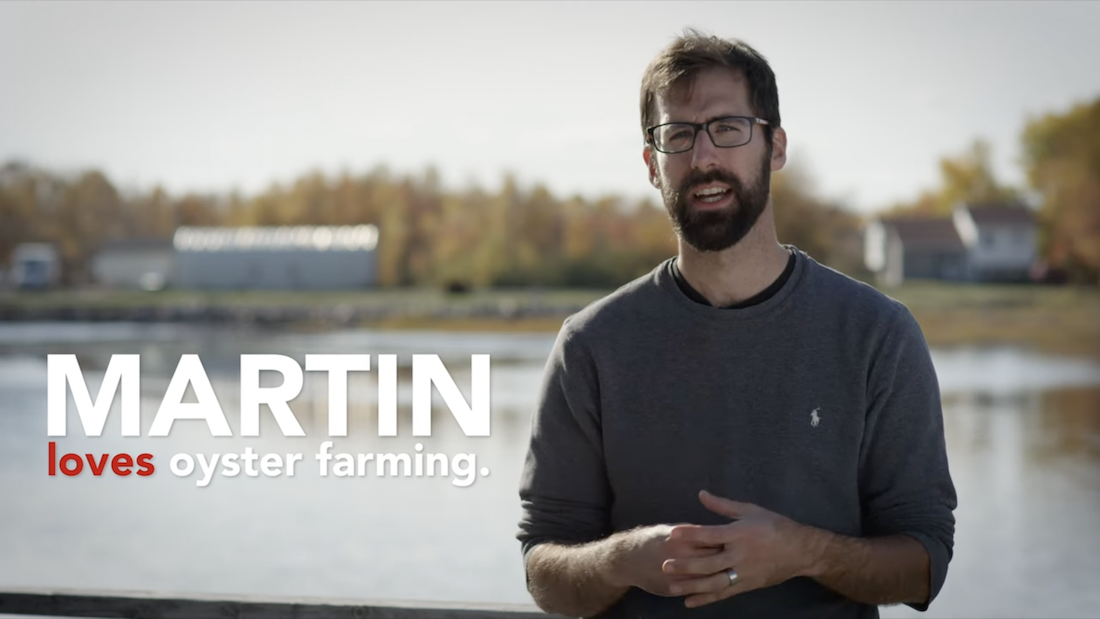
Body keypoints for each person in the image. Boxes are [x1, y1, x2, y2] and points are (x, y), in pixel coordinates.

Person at [516, 30, 957, 618]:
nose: (703, 158)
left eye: (728, 129)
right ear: (652, 164)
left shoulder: (876, 334)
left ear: (774, 146)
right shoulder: (592, 345)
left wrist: (803, 553)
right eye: (678, 135)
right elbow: (544, 573)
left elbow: (925, 563)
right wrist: (622, 559)